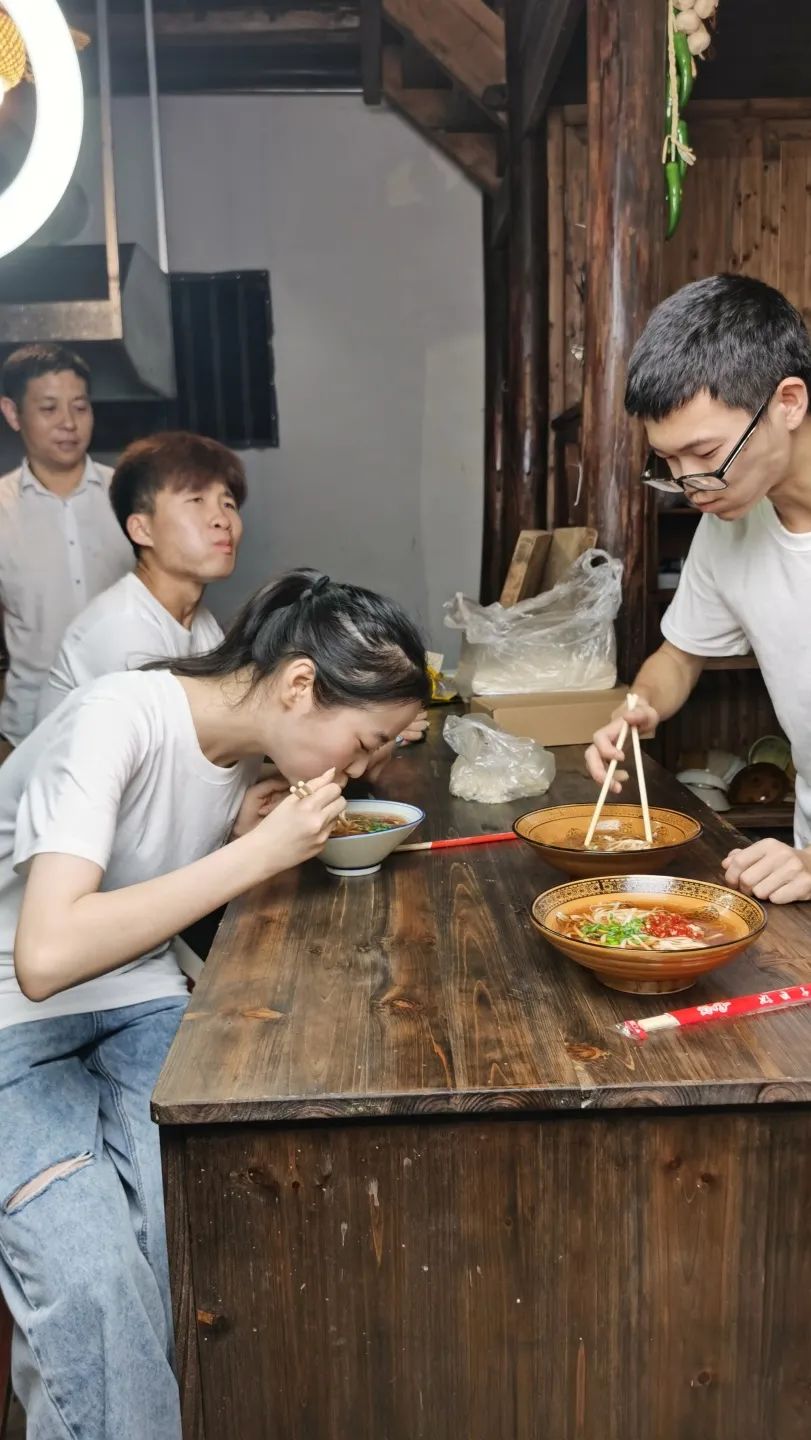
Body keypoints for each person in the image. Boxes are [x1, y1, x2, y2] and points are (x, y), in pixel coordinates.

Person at [0, 568, 429, 1439]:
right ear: (300, 684)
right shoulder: (116, 715)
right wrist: (256, 854)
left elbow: (153, 856)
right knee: (93, 1276)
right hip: (13, 1014)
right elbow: (44, 958)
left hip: (138, 995)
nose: (362, 770)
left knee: (200, 1226)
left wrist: (238, 831)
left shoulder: (241, 754)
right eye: (364, 743)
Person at [586, 273, 811, 904]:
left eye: (705, 453)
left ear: (789, 402)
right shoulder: (728, 524)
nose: (691, 487)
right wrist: (639, 709)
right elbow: (680, 656)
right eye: (668, 462)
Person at [37, 431, 247, 722]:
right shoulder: (123, 629)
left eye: (228, 504)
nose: (222, 520)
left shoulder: (202, 624)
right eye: (197, 499)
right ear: (142, 530)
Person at [0, 344, 133, 746]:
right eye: (49, 409)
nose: (69, 423)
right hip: (32, 730)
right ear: (12, 413)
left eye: (80, 407)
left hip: (127, 718)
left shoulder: (131, 495)